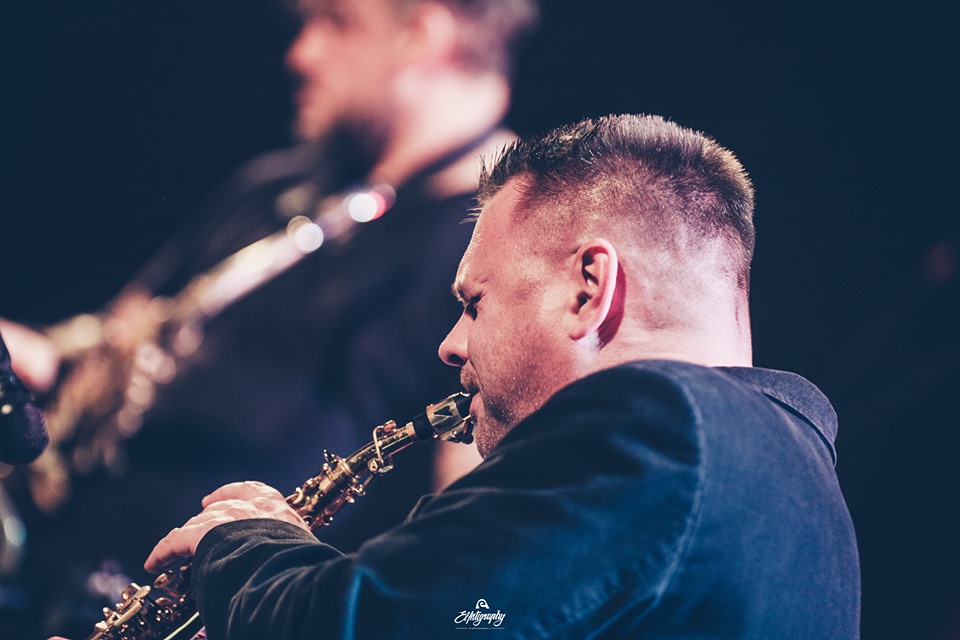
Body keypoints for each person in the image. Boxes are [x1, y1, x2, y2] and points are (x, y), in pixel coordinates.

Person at [125, 114, 861, 639]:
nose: (450, 346)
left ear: (589, 288)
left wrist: (246, 544)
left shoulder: (663, 425)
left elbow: (393, 624)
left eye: (473, 303)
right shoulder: (796, 485)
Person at [2, 0, 538, 636]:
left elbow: (477, 573)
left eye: (335, 22)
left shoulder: (498, 249)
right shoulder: (271, 188)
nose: (300, 54)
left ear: (419, 37)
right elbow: (117, 339)